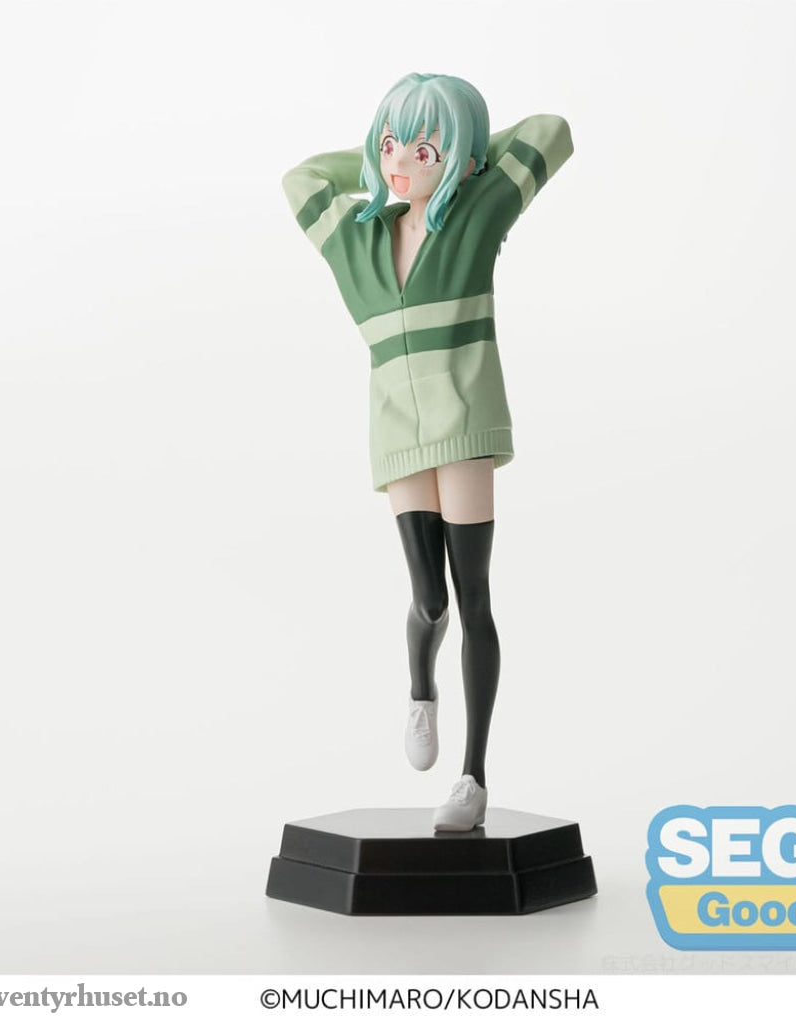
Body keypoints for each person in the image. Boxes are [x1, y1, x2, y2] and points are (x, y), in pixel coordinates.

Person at [282, 73, 573, 830]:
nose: (400, 161)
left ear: (462, 161)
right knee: (430, 599)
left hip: (467, 422)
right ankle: (421, 690)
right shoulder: (354, 237)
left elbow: (549, 131)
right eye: (389, 144)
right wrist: (381, 156)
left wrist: (465, 155)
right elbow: (301, 178)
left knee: (474, 599)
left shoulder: (478, 210)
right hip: (398, 433)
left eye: (423, 148)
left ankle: (472, 777)